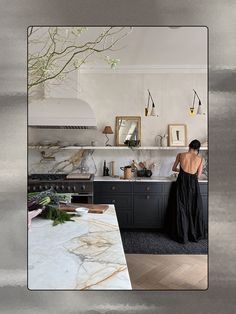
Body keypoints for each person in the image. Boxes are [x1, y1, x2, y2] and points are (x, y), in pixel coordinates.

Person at [168, 139, 207, 244]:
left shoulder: (180, 155)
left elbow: (174, 168)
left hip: (181, 183)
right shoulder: (200, 159)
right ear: (198, 149)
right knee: (193, 207)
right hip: (193, 184)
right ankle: (192, 234)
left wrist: (182, 172)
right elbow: (198, 176)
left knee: (181, 208)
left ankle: (182, 234)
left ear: (189, 146)